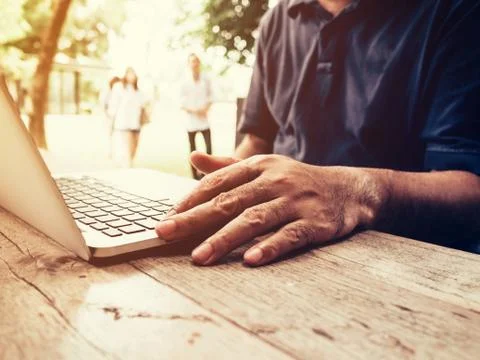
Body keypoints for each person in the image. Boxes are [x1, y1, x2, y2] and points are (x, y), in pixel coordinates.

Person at [155, 0, 480, 267]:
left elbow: (470, 186)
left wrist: (354, 192)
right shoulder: (276, 20)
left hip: (401, 265)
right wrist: (228, 190)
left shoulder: (457, 13)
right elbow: (257, 138)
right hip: (276, 252)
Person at [180, 53, 213, 179]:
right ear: (188, 64)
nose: (194, 64)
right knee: (193, 151)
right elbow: (181, 102)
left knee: (209, 149)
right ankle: (194, 177)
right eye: (192, 61)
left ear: (199, 63)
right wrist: (194, 110)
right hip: (191, 122)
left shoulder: (206, 80)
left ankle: (208, 175)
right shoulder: (184, 82)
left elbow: (211, 97)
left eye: (196, 61)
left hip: (205, 121)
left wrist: (205, 108)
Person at [108, 68, 147, 167]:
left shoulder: (138, 91)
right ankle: (128, 167)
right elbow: (113, 105)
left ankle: (128, 165)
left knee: (134, 149)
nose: (132, 76)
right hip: (124, 124)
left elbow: (143, 105)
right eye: (130, 74)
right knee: (128, 150)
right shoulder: (118, 87)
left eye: (133, 74)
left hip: (136, 124)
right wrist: (111, 121)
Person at [100, 76, 121, 158]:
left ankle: (115, 152)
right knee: (109, 135)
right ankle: (110, 152)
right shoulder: (107, 92)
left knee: (116, 135)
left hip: (117, 116)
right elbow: (103, 104)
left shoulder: (119, 92)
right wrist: (107, 114)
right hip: (109, 116)